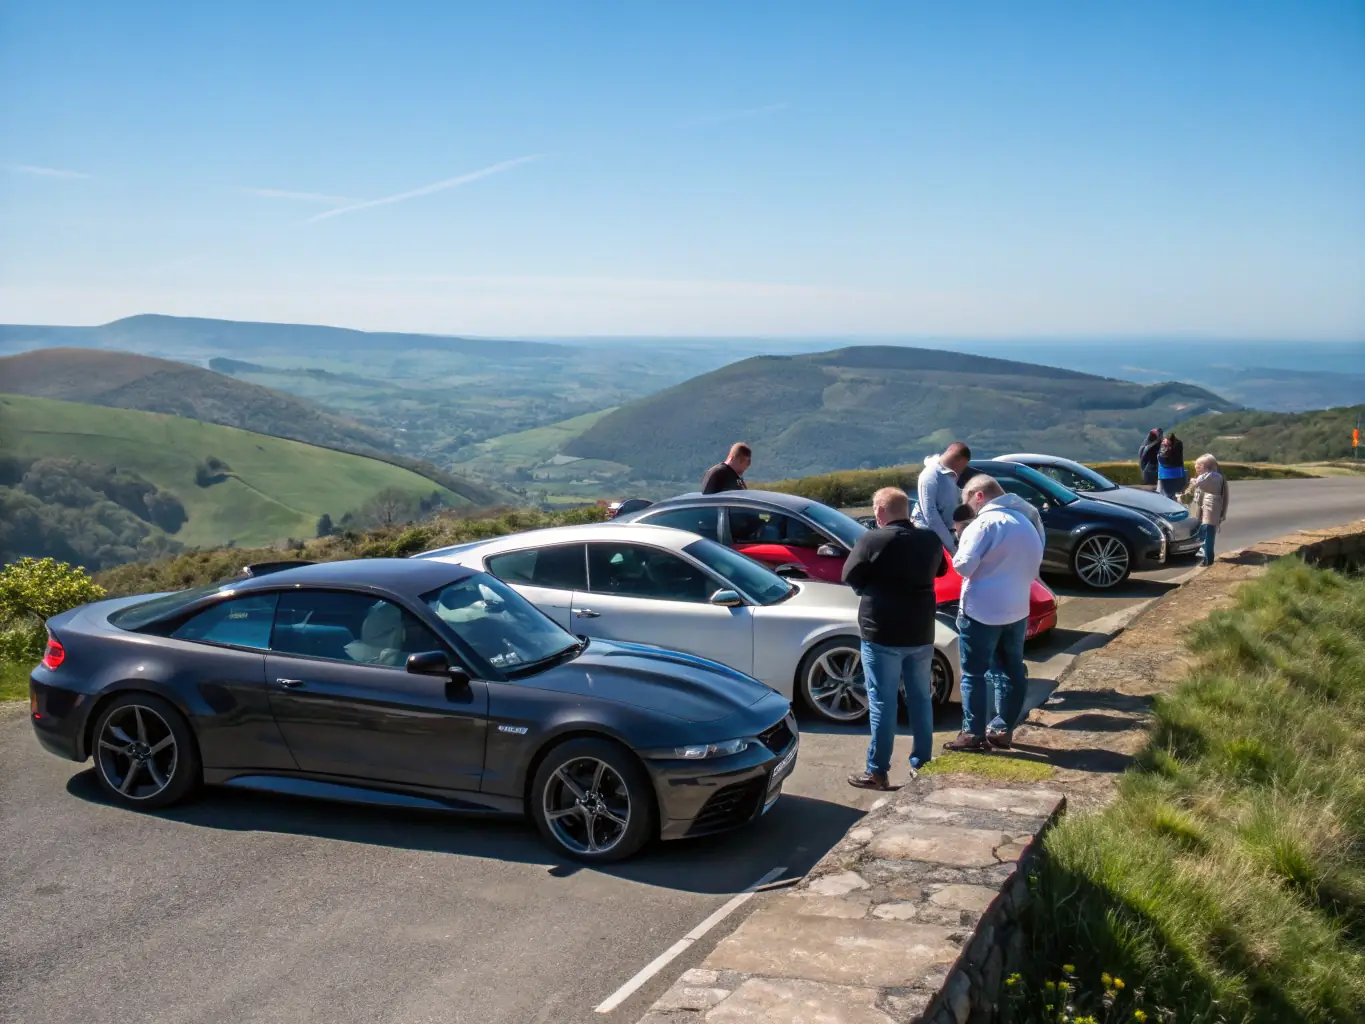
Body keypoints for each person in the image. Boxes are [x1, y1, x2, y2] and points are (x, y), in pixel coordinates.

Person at [842, 487, 948, 789]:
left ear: (879, 511)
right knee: (920, 698)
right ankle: (922, 762)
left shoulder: (872, 539)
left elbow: (851, 575)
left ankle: (877, 770)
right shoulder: (930, 539)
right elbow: (939, 571)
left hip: (882, 631)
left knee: (882, 702)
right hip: (920, 631)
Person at [944, 475, 1044, 753]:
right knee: (1012, 669)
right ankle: (1002, 728)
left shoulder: (984, 523)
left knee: (973, 674)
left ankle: (972, 733)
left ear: (978, 496)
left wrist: (961, 537)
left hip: (982, 610)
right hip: (1017, 607)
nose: (968, 508)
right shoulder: (1025, 521)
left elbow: (963, 566)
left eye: (967, 500)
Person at [912, 441, 972, 553]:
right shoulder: (930, 475)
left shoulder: (948, 475)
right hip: (930, 538)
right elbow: (930, 515)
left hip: (944, 537)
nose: (963, 470)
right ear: (961, 460)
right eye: (964, 465)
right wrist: (951, 547)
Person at [1184, 454, 1229, 567]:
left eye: (1199, 467)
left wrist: (1192, 483)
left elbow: (1198, 483)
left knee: (1207, 532)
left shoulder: (1213, 476)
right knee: (1205, 532)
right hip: (1206, 507)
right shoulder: (1214, 476)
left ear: (1206, 466)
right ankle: (1206, 556)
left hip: (1211, 507)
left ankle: (1208, 558)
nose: (1197, 469)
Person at [1156, 432, 1186, 500]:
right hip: (1177, 474)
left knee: (1166, 496)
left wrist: (1165, 447)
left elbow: (1162, 458)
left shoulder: (1169, 448)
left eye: (1164, 439)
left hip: (1166, 475)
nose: (1163, 441)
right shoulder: (1177, 445)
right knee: (1174, 496)